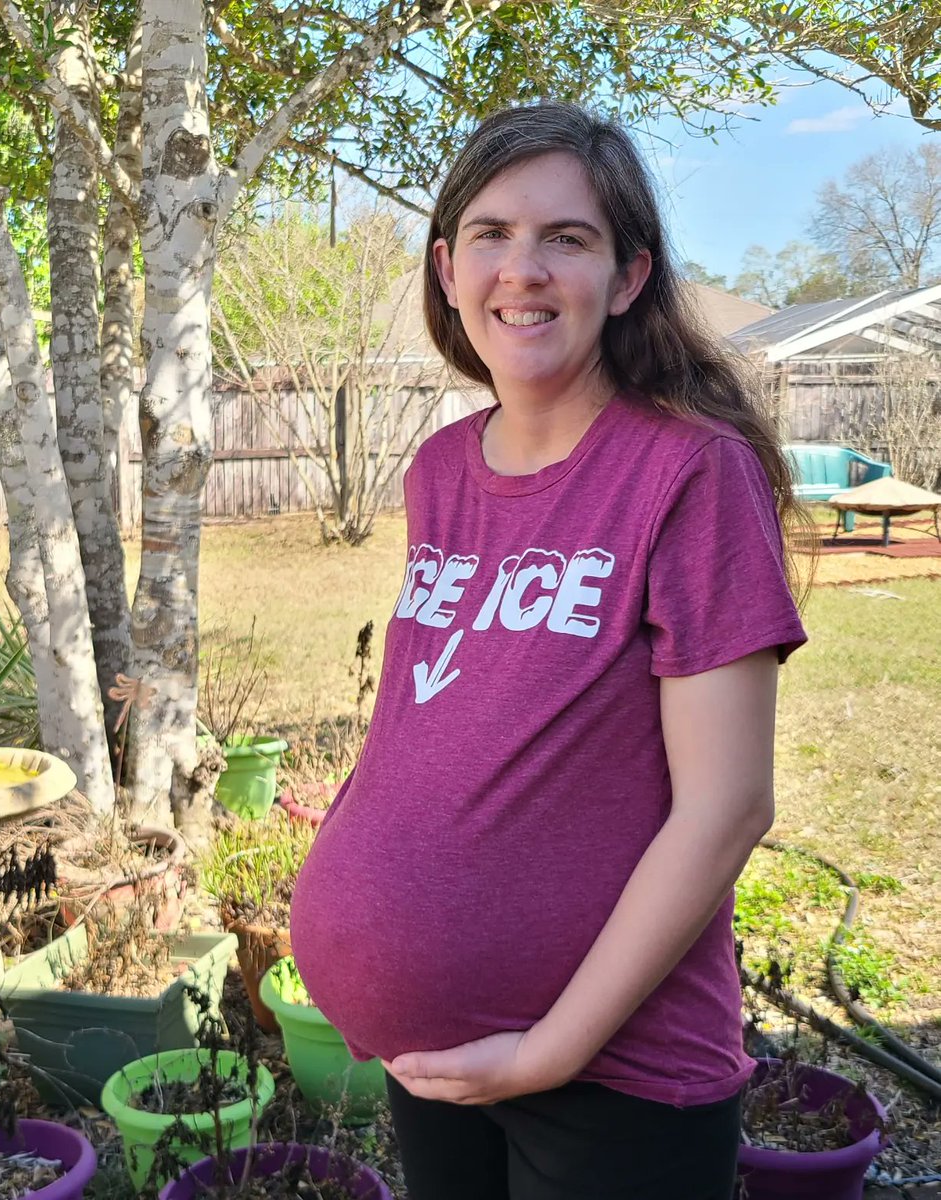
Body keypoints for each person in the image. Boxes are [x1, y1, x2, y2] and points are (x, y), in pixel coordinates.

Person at [289, 101, 808, 1200]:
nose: (520, 269)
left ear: (625, 277)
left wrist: (547, 1051)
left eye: (564, 239)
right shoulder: (436, 469)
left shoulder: (686, 473)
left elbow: (725, 808)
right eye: (490, 233)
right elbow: (442, 706)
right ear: (445, 267)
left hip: (612, 1074)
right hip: (436, 1067)